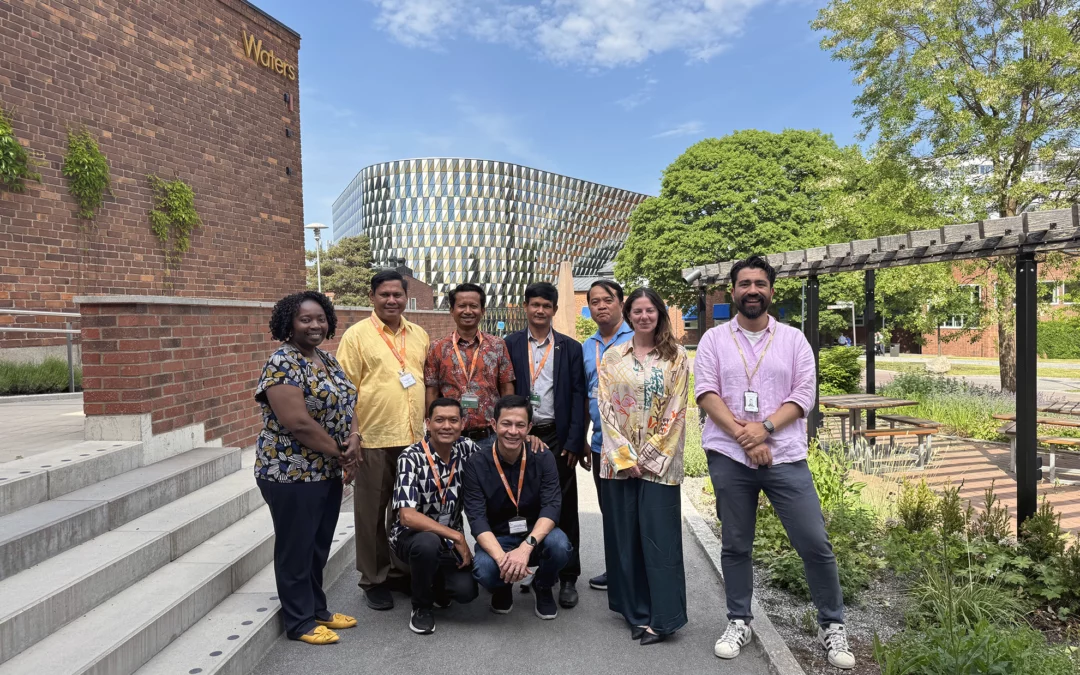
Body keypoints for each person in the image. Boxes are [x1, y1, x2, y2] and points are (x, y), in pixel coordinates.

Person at [694, 255, 855, 669]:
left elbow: (804, 396)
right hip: (730, 455)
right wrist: (746, 439)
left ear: (771, 290)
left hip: (784, 456)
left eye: (759, 284)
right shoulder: (713, 340)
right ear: (732, 291)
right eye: (744, 283)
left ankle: (831, 624)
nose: (752, 290)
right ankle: (738, 619)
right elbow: (707, 394)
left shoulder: (794, 340)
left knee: (814, 542)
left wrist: (763, 429)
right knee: (735, 543)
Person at [254, 291, 359, 645]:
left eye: (320, 318)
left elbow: (348, 401)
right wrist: (341, 453)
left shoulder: (327, 360)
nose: (315, 325)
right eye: (305, 319)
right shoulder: (282, 363)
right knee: (295, 548)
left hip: (325, 470)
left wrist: (355, 438)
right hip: (290, 472)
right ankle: (299, 622)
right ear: (289, 324)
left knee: (317, 545)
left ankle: (317, 609)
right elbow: (297, 422)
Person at [598, 286, 689, 646]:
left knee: (659, 541)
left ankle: (664, 619)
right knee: (625, 539)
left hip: (660, 466)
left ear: (660, 314)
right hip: (618, 464)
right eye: (637, 310)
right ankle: (634, 611)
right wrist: (624, 457)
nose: (644, 316)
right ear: (628, 314)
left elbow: (677, 409)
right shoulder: (612, 356)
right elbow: (604, 409)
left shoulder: (676, 356)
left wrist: (647, 458)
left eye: (650, 310)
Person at [337, 270, 430, 611]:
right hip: (374, 438)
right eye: (384, 294)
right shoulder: (356, 336)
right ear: (372, 297)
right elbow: (345, 392)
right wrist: (352, 435)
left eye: (397, 295)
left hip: (413, 439)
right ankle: (373, 577)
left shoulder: (419, 334)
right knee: (372, 513)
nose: (391, 300)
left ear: (406, 297)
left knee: (406, 511)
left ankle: (398, 570)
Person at [503, 282, 587, 608]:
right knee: (523, 503)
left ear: (553, 309)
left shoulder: (570, 348)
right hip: (518, 434)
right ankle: (532, 568)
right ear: (525, 306)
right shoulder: (509, 344)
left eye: (546, 306)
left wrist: (574, 441)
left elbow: (579, 395)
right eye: (534, 304)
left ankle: (567, 577)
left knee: (564, 506)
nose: (540, 310)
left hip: (557, 436)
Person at [463, 395, 573, 620]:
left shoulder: (543, 457)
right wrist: (505, 561)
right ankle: (503, 585)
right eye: (506, 424)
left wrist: (525, 549)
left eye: (520, 425)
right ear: (494, 425)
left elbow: (552, 506)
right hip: (499, 538)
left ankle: (542, 586)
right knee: (483, 568)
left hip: (535, 536)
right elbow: (476, 519)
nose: (513, 431)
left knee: (561, 546)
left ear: (529, 427)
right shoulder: (476, 463)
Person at [389, 398, 480, 635]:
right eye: (439, 420)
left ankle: (434, 582)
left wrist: (529, 440)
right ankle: (421, 607)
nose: (446, 426)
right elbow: (407, 516)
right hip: (412, 537)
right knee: (427, 543)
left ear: (463, 423)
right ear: (428, 424)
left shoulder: (467, 449)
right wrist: (458, 537)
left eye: (453, 420)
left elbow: (498, 456)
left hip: (447, 541)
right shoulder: (411, 457)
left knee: (466, 592)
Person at [580, 279, 633, 592]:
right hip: (602, 445)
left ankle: (634, 572)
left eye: (607, 300)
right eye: (595, 301)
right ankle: (617, 570)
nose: (601, 306)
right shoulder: (588, 346)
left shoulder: (637, 338)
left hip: (630, 445)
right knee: (611, 511)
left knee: (632, 509)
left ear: (621, 303)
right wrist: (583, 440)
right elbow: (585, 393)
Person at [424, 283, 515, 452]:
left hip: (489, 437)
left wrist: (507, 425)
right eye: (461, 306)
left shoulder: (497, 345)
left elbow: (506, 388)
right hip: (449, 438)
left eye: (473, 306)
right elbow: (432, 392)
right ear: (452, 310)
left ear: (483, 310)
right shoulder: (438, 348)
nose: (467, 311)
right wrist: (432, 431)